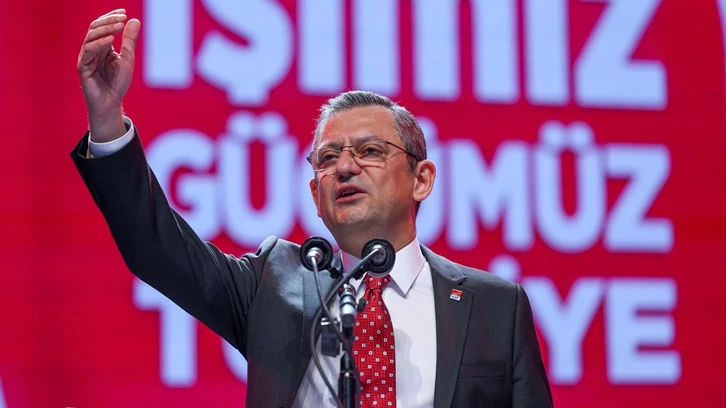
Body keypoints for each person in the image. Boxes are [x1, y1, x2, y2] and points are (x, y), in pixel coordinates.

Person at [72, 9, 553, 408]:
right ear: (315, 196)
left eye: (369, 151)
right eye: (327, 158)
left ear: (421, 179)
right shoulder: (274, 283)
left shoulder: (495, 305)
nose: (344, 167)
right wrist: (108, 120)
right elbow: (156, 247)